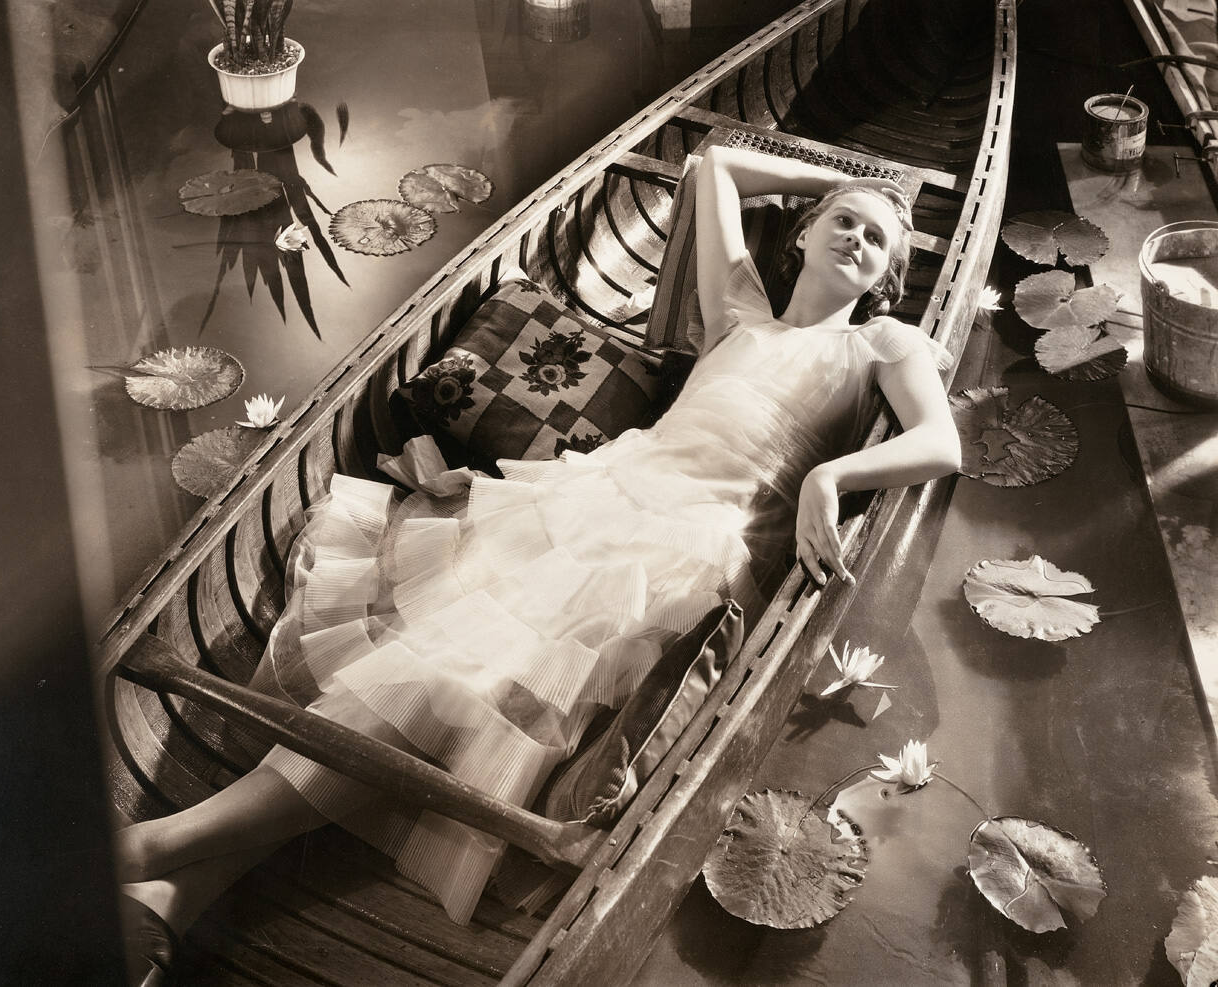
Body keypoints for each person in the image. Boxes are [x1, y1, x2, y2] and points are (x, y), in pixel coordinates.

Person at [116, 144, 962, 982]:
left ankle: (156, 851)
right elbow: (718, 168)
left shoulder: (881, 342)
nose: (858, 238)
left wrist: (829, 477)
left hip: (685, 555)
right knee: (425, 677)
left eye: (877, 240)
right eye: (844, 223)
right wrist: (852, 181)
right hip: (588, 505)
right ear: (803, 234)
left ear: (886, 279)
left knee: (445, 687)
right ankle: (170, 885)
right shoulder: (740, 312)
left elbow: (940, 442)